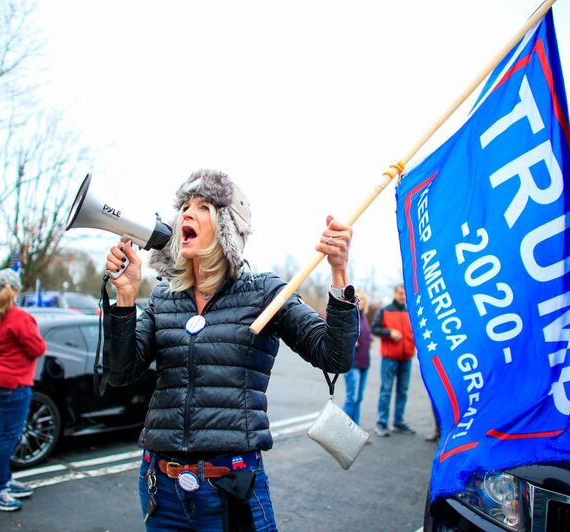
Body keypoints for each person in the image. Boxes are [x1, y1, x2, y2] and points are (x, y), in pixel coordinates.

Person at [104, 169, 359, 531]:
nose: (185, 215)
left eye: (203, 206)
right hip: (162, 488)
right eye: (185, 207)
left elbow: (334, 356)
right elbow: (120, 372)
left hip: (231, 487)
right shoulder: (164, 297)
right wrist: (126, 299)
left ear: (227, 226)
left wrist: (338, 273)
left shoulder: (264, 293)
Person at [0, 269, 46, 512]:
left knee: (0, 433)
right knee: (8, 436)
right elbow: (37, 348)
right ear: (16, 290)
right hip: (13, 383)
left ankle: (3, 480)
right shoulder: (20, 318)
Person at [371, 284, 415, 437]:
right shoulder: (385, 311)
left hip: (406, 357)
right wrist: (389, 332)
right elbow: (374, 328)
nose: (403, 296)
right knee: (386, 391)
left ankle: (398, 422)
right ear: (395, 294)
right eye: (401, 293)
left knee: (403, 391)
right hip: (389, 358)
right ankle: (381, 424)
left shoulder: (411, 312)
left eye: (405, 294)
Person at [342, 290, 372, 425]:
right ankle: (338, 429)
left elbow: (365, 333)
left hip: (364, 363)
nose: (359, 301)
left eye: (362, 299)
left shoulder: (363, 317)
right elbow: (338, 334)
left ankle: (355, 430)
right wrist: (349, 340)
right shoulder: (348, 316)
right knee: (351, 398)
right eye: (356, 298)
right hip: (352, 363)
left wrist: (369, 340)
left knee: (358, 398)